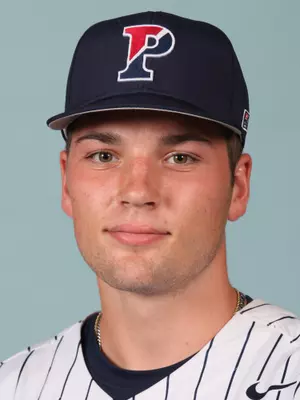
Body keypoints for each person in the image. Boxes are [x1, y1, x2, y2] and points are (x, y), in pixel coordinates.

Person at [1, 10, 299, 400]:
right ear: (66, 181)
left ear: (238, 186)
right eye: (104, 156)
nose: (138, 192)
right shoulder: (15, 385)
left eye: (180, 157)